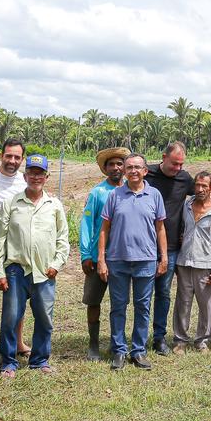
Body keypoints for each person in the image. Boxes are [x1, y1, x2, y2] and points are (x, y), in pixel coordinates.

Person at [0, 155, 70, 377]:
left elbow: (63, 240)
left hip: (45, 271)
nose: (36, 177)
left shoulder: (54, 205)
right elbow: (0, 239)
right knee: (11, 317)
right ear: (25, 175)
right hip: (16, 270)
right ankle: (8, 362)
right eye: (32, 172)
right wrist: (0, 271)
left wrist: (56, 265)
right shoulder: (11, 203)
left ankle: (39, 360)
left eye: (40, 173)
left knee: (45, 319)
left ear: (46, 177)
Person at [98, 153, 168, 371]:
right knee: (118, 307)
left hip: (146, 260)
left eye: (138, 167)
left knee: (142, 307)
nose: (133, 171)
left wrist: (163, 256)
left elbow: (160, 228)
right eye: (129, 167)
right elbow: (104, 229)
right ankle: (119, 350)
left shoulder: (154, 195)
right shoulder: (115, 195)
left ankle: (138, 350)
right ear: (125, 171)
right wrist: (101, 258)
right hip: (117, 260)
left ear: (145, 171)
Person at [146, 142, 194, 356]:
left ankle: (159, 338)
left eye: (181, 164)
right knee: (142, 295)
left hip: (172, 247)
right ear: (163, 157)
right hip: (145, 246)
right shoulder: (147, 174)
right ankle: (138, 337)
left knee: (163, 293)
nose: (178, 168)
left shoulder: (184, 178)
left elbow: (202, 193)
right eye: (174, 163)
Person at [0, 138, 27, 369]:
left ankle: (18, 342)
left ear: (22, 159)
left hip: (16, 249)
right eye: (8, 156)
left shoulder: (23, 180)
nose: (12, 161)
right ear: (1, 155)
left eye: (17, 157)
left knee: (17, 299)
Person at [80, 147, 127, 360]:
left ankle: (118, 342)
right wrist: (85, 255)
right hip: (97, 256)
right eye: (111, 164)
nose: (116, 167)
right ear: (105, 169)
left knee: (120, 302)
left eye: (120, 163)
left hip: (122, 258)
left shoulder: (129, 190)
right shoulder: (97, 193)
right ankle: (93, 344)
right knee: (93, 300)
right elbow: (88, 224)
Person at [173, 171, 211, 354]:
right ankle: (180, 340)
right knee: (183, 303)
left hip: (205, 264)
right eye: (197, 185)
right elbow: (180, 228)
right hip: (184, 262)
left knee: (205, 305)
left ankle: (202, 341)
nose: (200, 189)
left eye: (205, 186)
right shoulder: (186, 206)